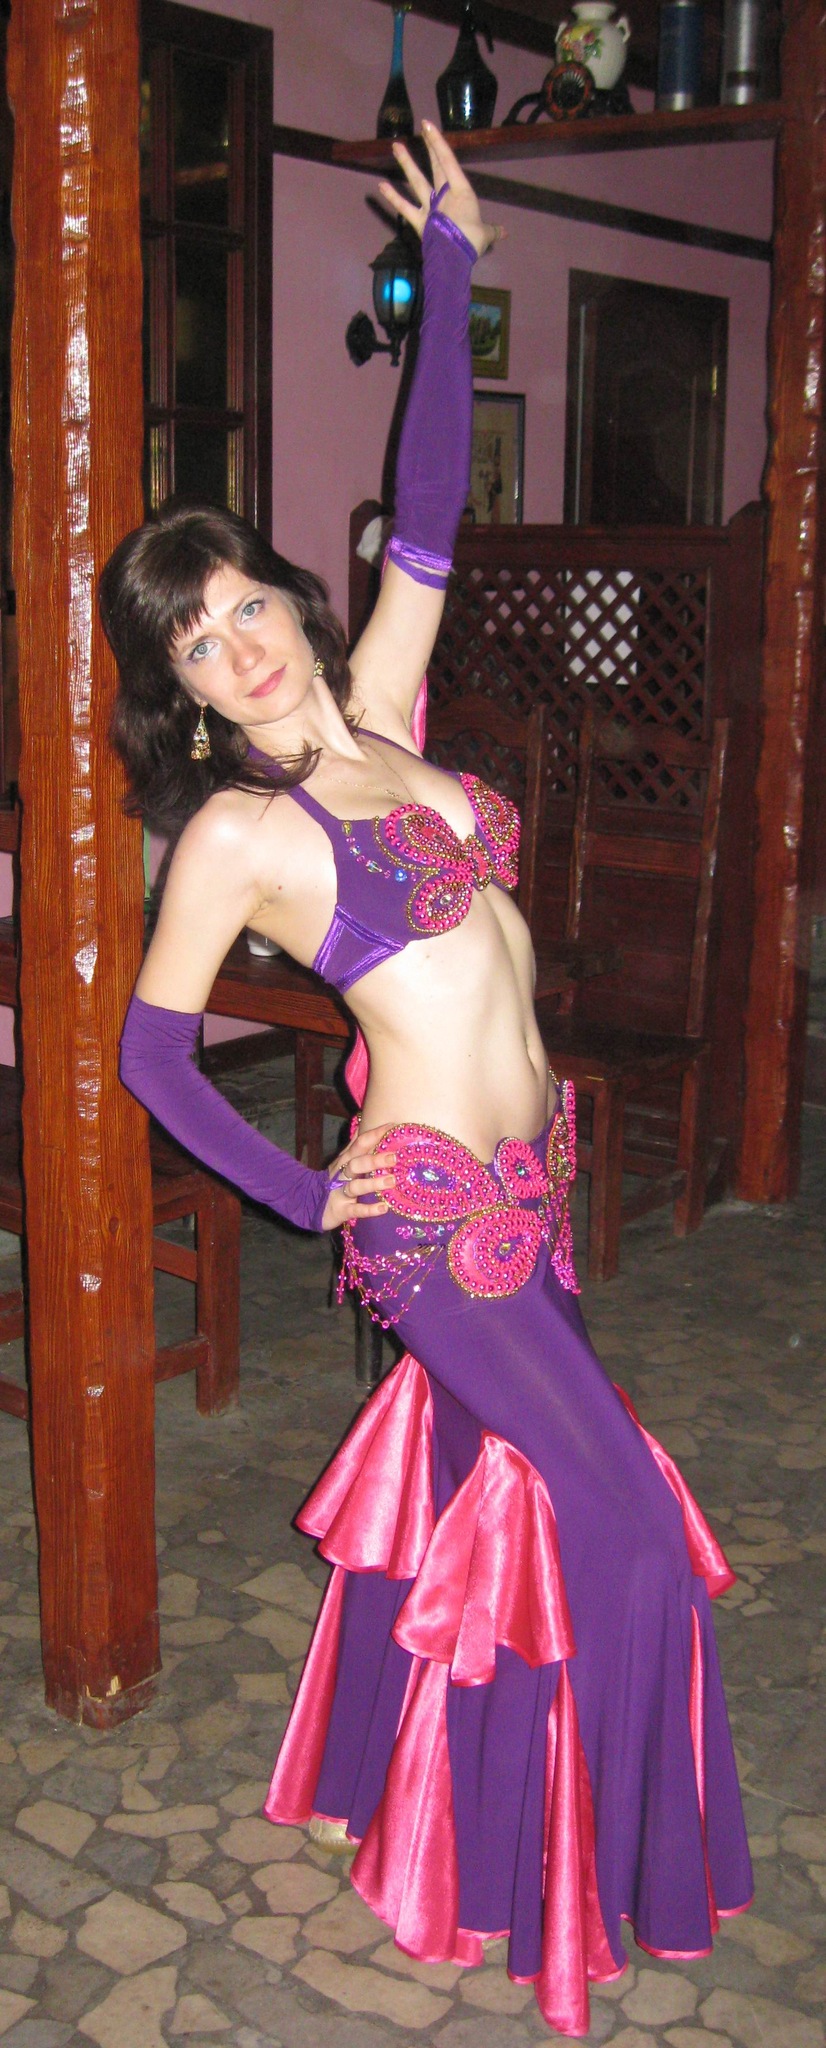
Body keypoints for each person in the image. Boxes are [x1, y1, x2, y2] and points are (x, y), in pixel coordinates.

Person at [101, 126, 752, 2038]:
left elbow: (435, 509)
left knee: (493, 1509)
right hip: (438, 1226)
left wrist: (459, 261)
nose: (233, 648)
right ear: (185, 691)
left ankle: (416, 1810)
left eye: (241, 603)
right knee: (623, 1533)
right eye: (192, 644)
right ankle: (591, 1876)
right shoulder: (238, 832)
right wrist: (311, 1195)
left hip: (532, 1182)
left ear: (288, 600)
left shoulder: (382, 713)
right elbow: (152, 1051)